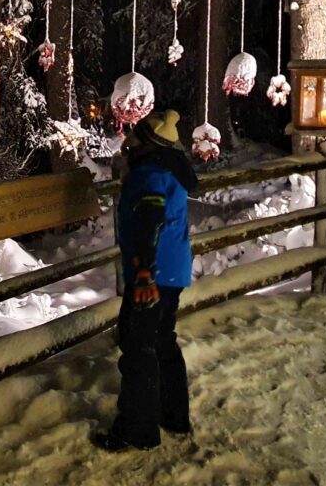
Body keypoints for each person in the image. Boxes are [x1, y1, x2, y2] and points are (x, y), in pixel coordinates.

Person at [92, 109, 198, 452]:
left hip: (152, 274)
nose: (129, 141)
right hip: (171, 271)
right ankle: (174, 415)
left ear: (149, 144)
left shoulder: (149, 174)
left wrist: (142, 273)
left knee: (139, 347)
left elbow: (150, 219)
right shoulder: (170, 171)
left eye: (136, 136)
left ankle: (136, 430)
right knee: (162, 340)